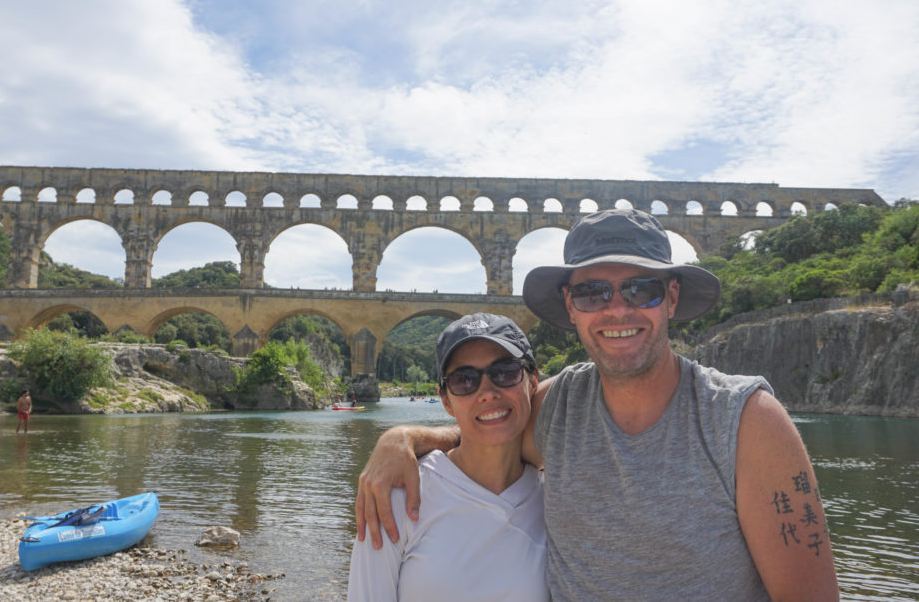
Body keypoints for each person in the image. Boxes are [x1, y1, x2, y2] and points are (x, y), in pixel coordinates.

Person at [356, 209, 839, 600]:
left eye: (641, 288)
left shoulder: (746, 422)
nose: (617, 309)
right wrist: (403, 438)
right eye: (592, 292)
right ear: (571, 306)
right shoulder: (556, 408)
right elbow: (489, 423)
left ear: (671, 296)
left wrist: (406, 437)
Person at [348, 313, 547, 601]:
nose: (488, 392)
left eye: (505, 372)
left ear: (532, 381)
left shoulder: (556, 501)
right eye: (465, 380)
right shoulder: (398, 497)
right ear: (445, 400)